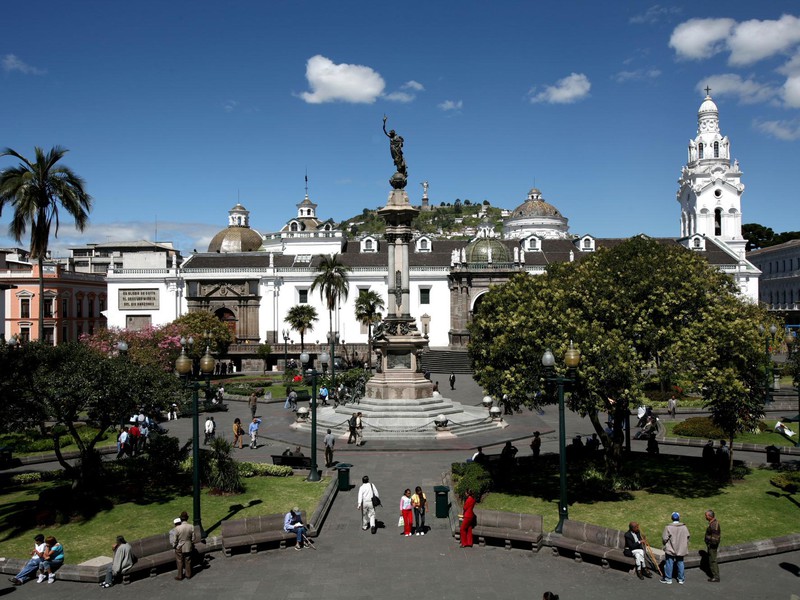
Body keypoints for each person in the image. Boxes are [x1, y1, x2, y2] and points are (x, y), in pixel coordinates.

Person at [661, 511, 690, 585]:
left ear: (672, 518)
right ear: (679, 518)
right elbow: (687, 537)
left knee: (669, 563)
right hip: (681, 548)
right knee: (680, 563)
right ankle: (681, 579)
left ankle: (668, 579)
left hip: (670, 548)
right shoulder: (684, 527)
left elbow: (664, 538)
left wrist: (665, 544)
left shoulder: (668, 527)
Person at [173, 511, 195, 580]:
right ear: (187, 518)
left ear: (180, 519)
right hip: (188, 546)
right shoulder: (191, 526)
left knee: (179, 561)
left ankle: (180, 576)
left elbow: (175, 540)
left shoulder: (177, 528)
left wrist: (174, 545)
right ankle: (188, 575)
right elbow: (193, 538)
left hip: (180, 546)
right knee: (188, 560)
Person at [704, 509, 721, 582]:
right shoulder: (713, 523)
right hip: (711, 545)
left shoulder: (714, 525)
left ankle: (716, 576)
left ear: (710, 516)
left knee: (712, 560)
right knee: (712, 559)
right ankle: (715, 575)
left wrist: (710, 543)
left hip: (712, 546)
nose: (705, 517)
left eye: (706, 515)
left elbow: (715, 537)